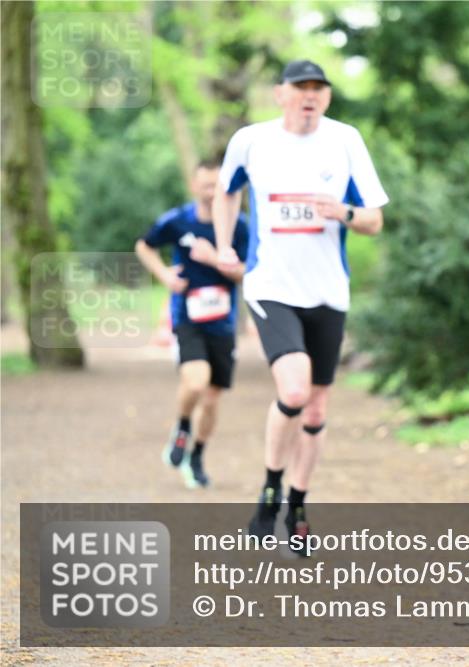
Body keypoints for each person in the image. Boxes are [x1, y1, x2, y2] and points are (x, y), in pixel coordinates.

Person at [212, 60, 388, 555]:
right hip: (271, 286)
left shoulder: (346, 140)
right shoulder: (251, 140)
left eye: (319, 89)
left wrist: (345, 212)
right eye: (301, 88)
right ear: (280, 94)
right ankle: (270, 488)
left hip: (329, 291)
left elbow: (374, 219)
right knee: (293, 388)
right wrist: (226, 245)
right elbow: (227, 193)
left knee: (317, 405)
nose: (310, 96)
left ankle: (297, 504)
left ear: (327, 98)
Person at [135, 160, 249, 488]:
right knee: (196, 383)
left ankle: (197, 454)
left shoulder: (238, 226)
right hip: (187, 318)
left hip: (223, 324)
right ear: (194, 185)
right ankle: (183, 426)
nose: (212, 191)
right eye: (206, 185)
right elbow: (144, 246)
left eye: (218, 186)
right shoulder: (177, 221)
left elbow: (247, 273)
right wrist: (165, 276)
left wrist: (214, 258)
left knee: (212, 399)